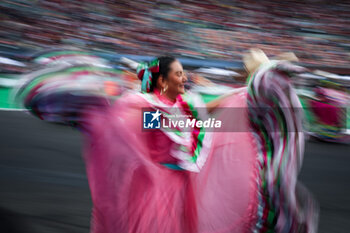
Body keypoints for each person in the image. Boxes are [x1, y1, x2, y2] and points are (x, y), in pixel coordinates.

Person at [17, 54, 318, 233]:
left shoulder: (176, 104)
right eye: (178, 73)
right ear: (162, 80)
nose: (184, 77)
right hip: (155, 192)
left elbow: (203, 120)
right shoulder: (139, 106)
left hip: (177, 190)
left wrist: (243, 100)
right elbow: (149, 125)